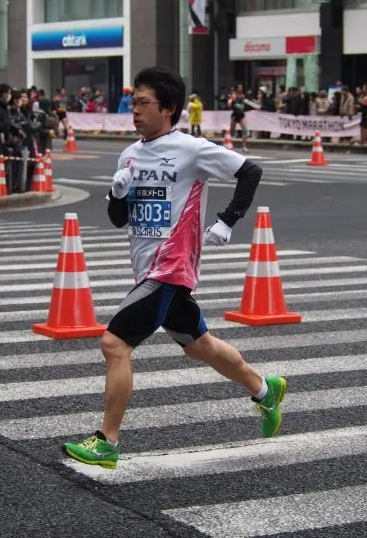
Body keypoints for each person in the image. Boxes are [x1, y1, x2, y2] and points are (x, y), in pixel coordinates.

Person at [63, 66, 286, 469]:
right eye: (133, 103)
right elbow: (119, 220)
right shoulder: (129, 154)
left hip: (169, 267)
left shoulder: (191, 149)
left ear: (168, 109)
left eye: (143, 103)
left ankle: (107, 442)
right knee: (200, 347)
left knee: (114, 345)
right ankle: (264, 388)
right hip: (146, 267)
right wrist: (116, 194)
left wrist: (227, 219)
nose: (134, 111)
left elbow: (250, 171)